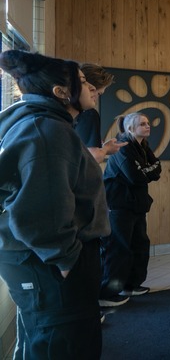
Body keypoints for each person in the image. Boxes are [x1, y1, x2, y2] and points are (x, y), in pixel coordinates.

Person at [0, 50, 107, 359]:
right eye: (84, 82)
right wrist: (64, 259)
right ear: (61, 92)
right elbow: (40, 209)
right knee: (63, 345)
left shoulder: (40, 123)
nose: (91, 89)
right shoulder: (47, 131)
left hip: (41, 259)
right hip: (49, 262)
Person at [99, 112, 162, 306]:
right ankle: (107, 293)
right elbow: (136, 176)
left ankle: (131, 285)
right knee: (118, 248)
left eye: (147, 123)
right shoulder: (122, 148)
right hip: (119, 206)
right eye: (142, 124)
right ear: (130, 129)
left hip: (136, 205)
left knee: (139, 244)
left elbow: (157, 168)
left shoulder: (143, 145)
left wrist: (148, 170)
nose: (147, 126)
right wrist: (149, 170)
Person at [74, 63, 126, 162]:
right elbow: (93, 157)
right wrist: (106, 149)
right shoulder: (89, 114)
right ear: (90, 88)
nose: (96, 100)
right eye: (99, 94)